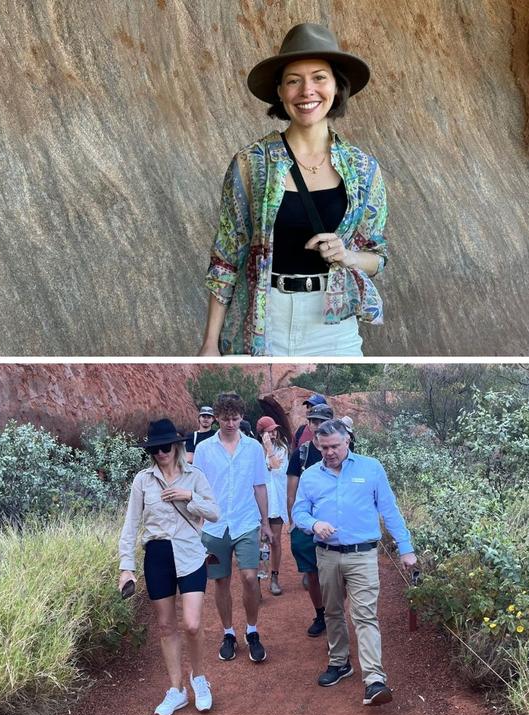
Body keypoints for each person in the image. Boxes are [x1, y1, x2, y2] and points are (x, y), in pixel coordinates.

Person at [199, 22, 389, 356]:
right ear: (280, 91)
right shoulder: (250, 164)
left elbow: (377, 256)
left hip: (332, 327)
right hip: (262, 321)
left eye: (319, 77)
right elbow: (227, 256)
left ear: (336, 86)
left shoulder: (363, 170)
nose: (307, 91)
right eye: (293, 81)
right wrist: (209, 344)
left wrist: (347, 255)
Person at [292, 420, 417, 706]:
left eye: (335, 446)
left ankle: (374, 680)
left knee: (365, 615)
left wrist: (405, 548)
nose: (330, 452)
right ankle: (339, 662)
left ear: (348, 441)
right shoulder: (310, 476)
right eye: (324, 447)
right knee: (333, 611)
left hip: (362, 554)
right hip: (326, 553)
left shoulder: (371, 468)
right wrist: (314, 524)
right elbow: (298, 512)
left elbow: (389, 509)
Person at [119, 419, 221, 715]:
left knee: (191, 623)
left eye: (165, 447)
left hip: (190, 552)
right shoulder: (143, 480)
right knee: (165, 625)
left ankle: (199, 679)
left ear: (177, 445)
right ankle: (176, 689)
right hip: (157, 553)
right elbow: (131, 525)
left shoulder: (194, 476)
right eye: (154, 449)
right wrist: (126, 566)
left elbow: (214, 513)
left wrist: (189, 497)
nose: (160, 453)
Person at [191, 393, 273, 663]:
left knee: (249, 577)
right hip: (214, 526)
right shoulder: (204, 449)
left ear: (241, 418)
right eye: (225, 419)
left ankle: (252, 630)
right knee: (221, 581)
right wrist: (198, 521)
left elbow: (259, 485)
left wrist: (266, 522)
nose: (230, 424)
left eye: (235, 419)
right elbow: (197, 486)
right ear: (216, 418)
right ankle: (228, 633)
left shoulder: (252, 448)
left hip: (246, 521)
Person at [287, 402, 334, 635]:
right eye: (313, 421)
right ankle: (320, 614)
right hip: (307, 525)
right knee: (312, 574)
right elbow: (291, 491)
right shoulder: (302, 454)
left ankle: (335, 615)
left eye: (322, 421)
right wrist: (293, 523)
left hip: (334, 524)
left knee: (337, 575)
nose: (317, 426)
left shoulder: (339, 449)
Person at [256, 416, 291, 595]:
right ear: (261, 433)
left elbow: (277, 469)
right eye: (269, 431)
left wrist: (269, 448)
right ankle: (258, 582)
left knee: (275, 541)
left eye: (274, 430)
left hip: (276, 501)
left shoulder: (281, 449)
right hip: (257, 503)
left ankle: (274, 577)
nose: (273, 433)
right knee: (259, 542)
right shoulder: (253, 451)